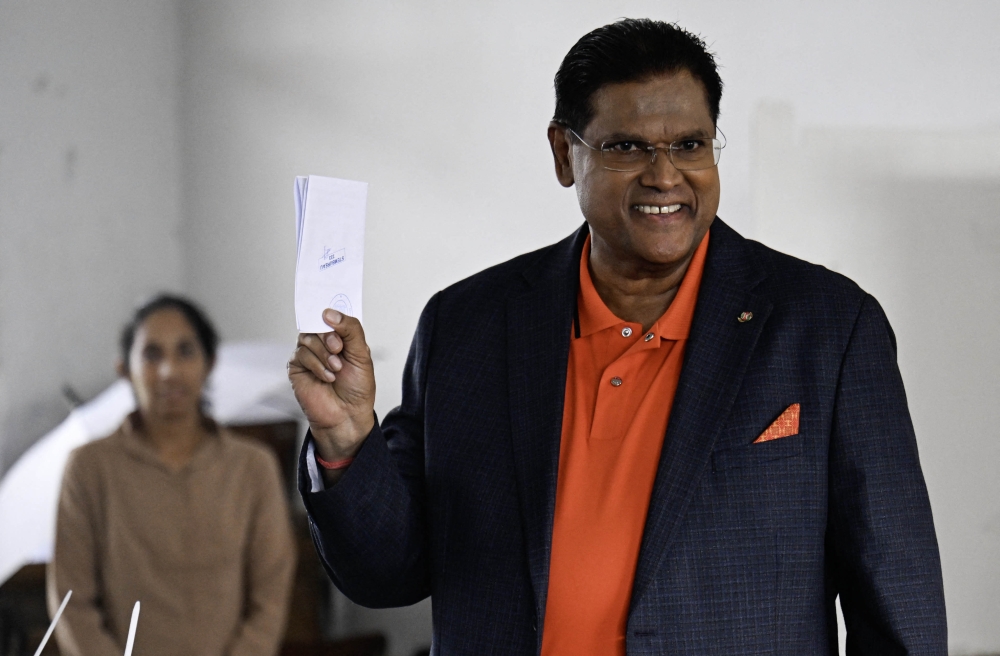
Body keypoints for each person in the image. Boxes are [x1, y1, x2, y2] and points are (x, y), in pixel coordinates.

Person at [288, 19, 947, 655]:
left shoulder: (827, 328)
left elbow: (898, 597)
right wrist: (348, 441)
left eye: (690, 144)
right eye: (627, 146)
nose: (664, 175)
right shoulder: (468, 327)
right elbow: (387, 574)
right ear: (563, 153)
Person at [49, 295, 296, 656]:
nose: (169, 370)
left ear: (209, 363)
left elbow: (270, 596)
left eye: (185, 351)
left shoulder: (252, 468)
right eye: (151, 354)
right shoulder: (88, 469)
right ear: (125, 370)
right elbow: (72, 603)